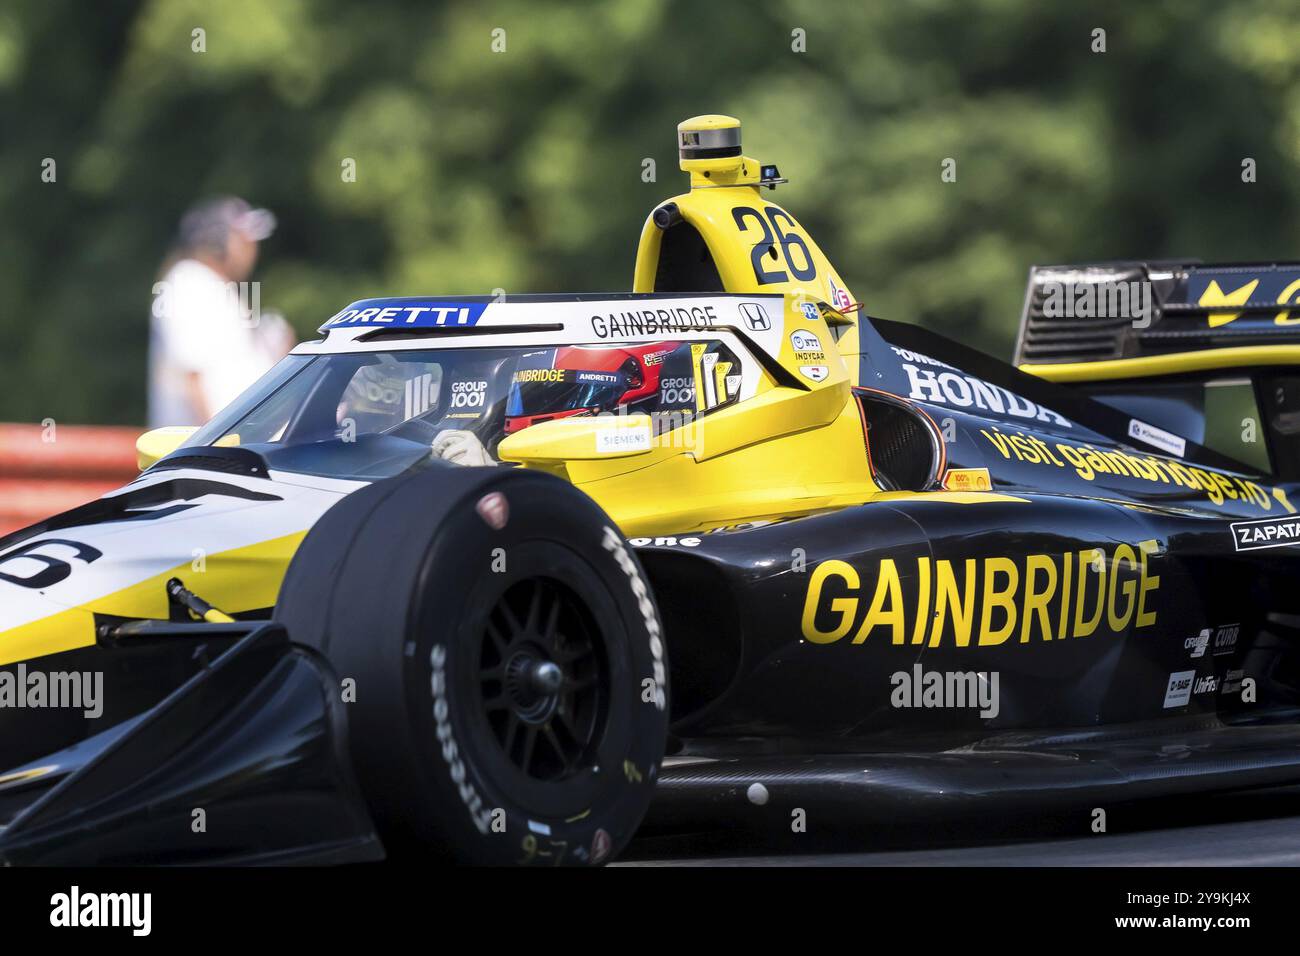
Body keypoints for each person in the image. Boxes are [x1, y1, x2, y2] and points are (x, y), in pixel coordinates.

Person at [148, 196, 295, 427]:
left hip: (224, 448)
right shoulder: (189, 282)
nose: (252, 248)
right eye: (242, 238)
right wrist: (216, 445)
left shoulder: (213, 286)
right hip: (207, 453)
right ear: (217, 241)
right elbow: (191, 376)